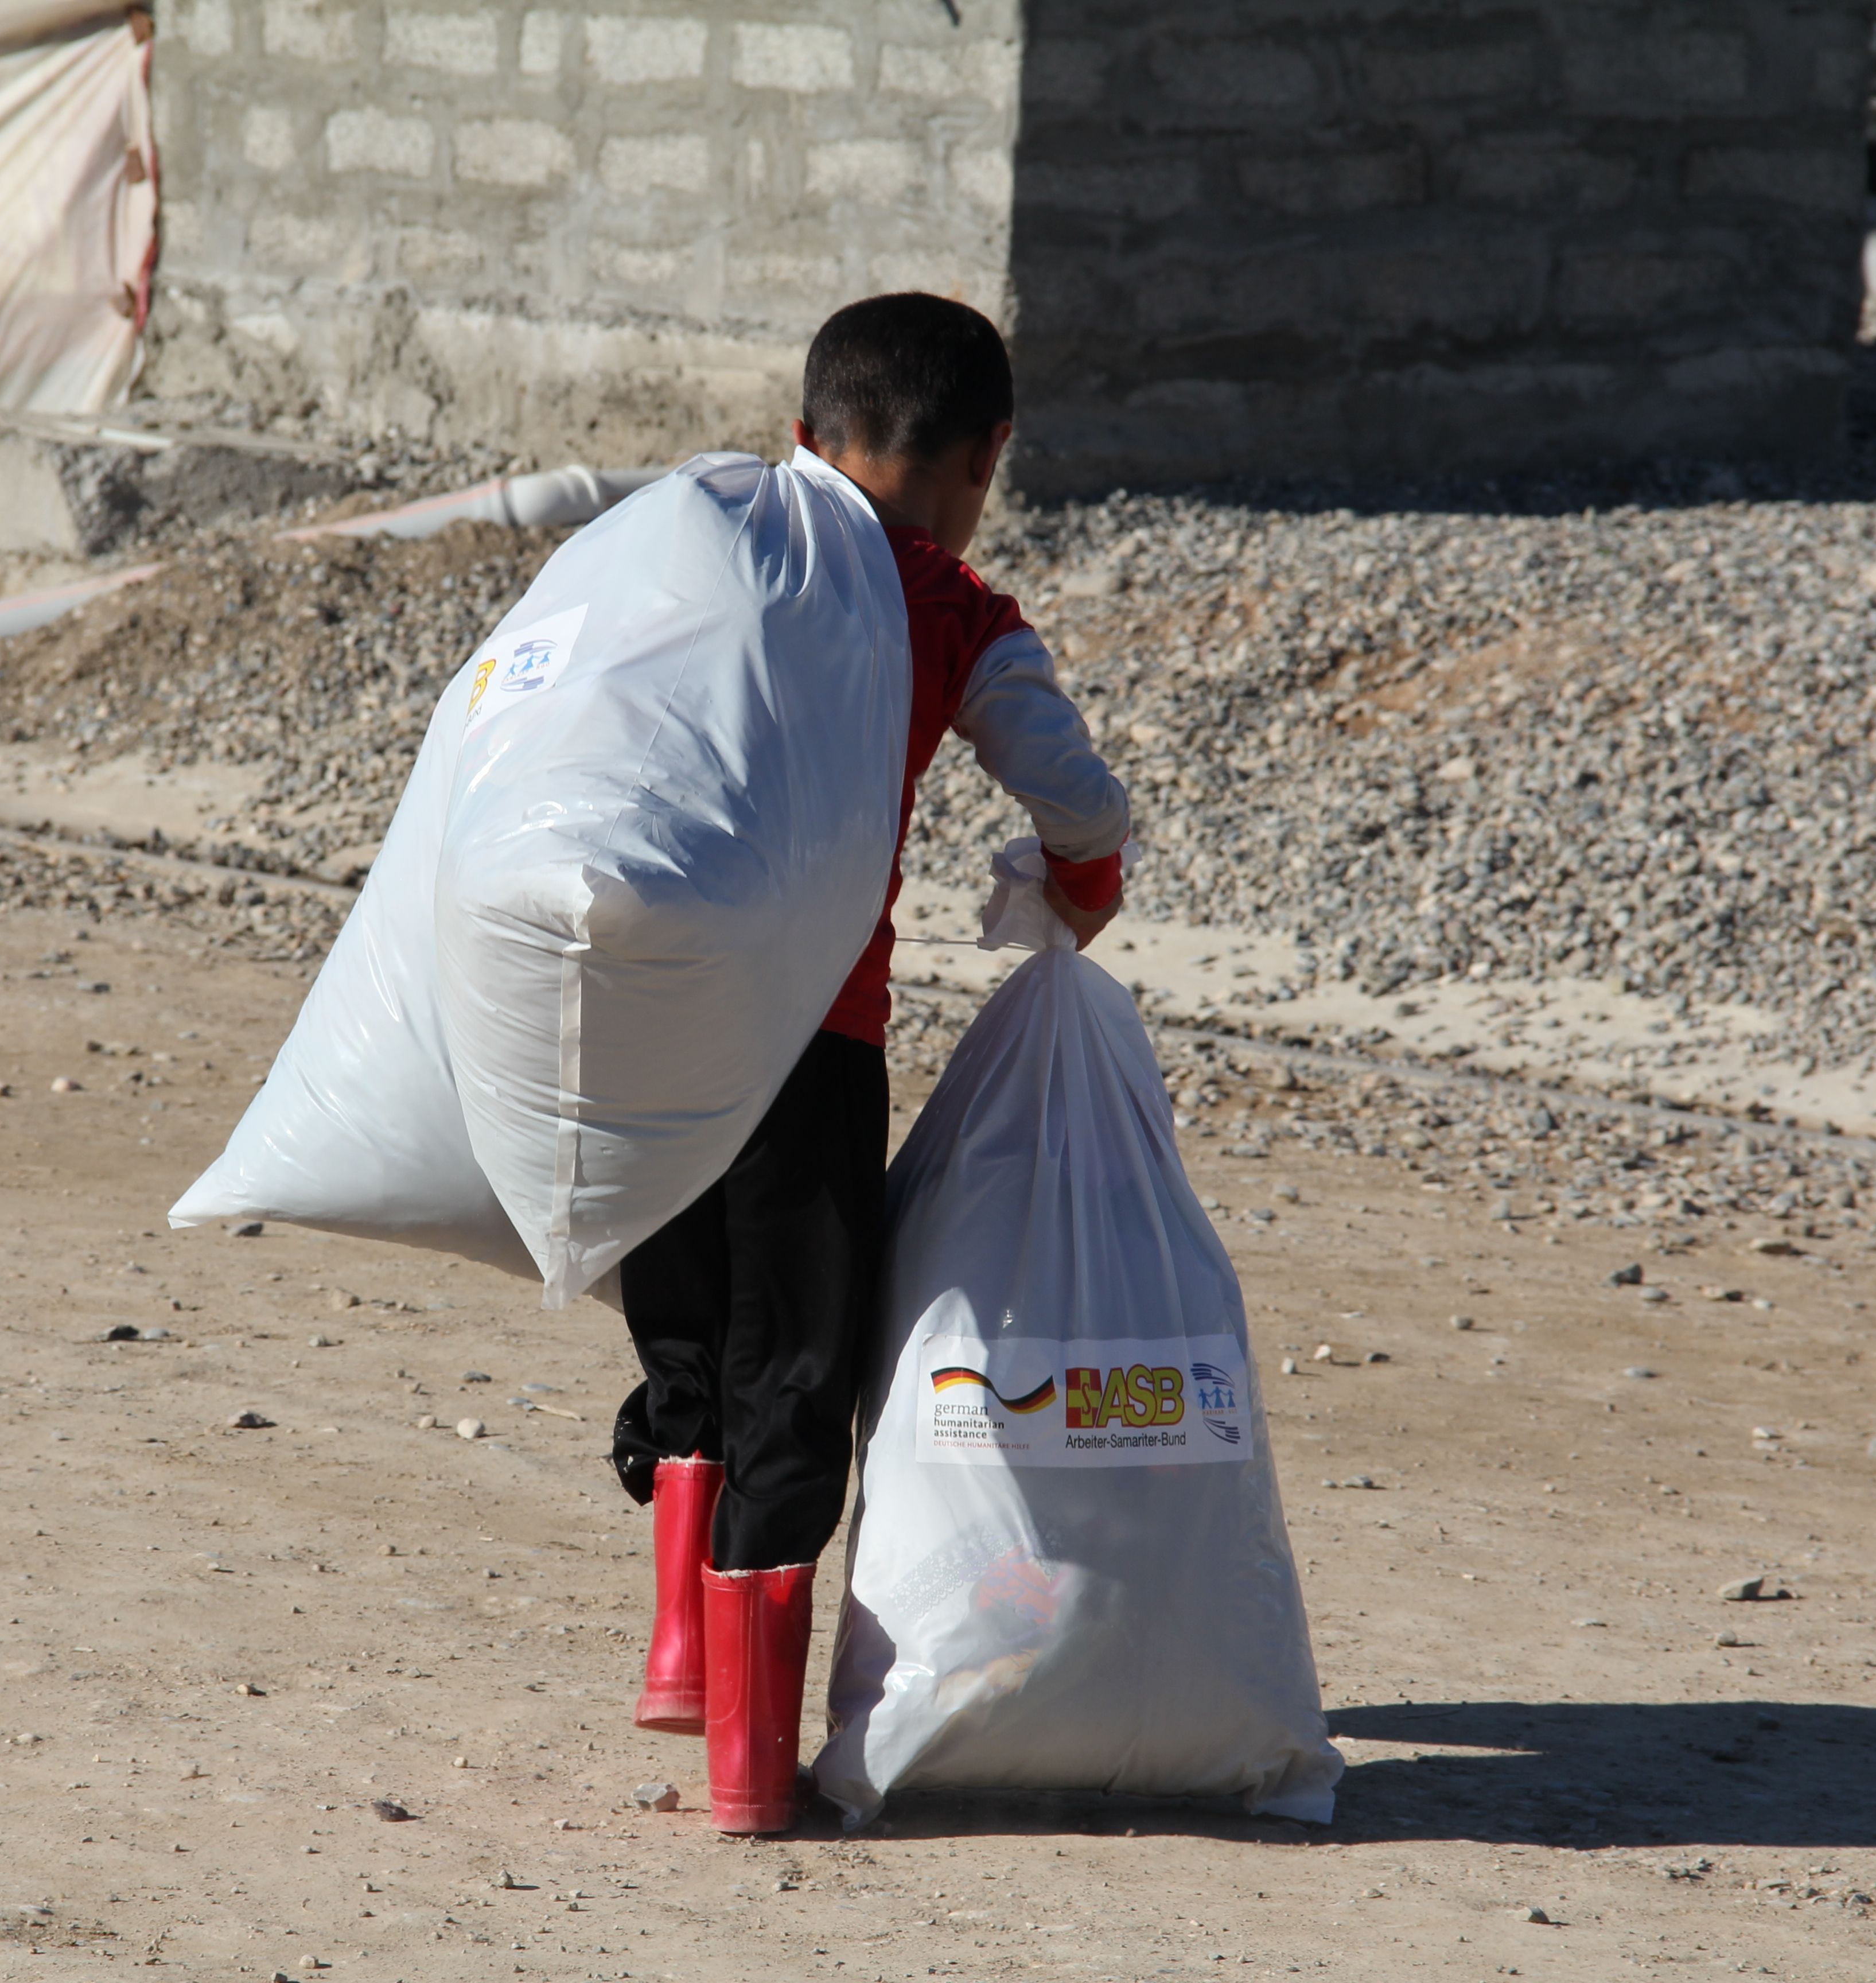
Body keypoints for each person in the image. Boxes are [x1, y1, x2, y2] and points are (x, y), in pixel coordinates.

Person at [608, 293, 1131, 1833]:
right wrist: (1072, 900)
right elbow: (1082, 811)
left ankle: (682, 1659)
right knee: (798, 1369)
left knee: (689, 1337)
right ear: (988, 459)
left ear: (804, 438)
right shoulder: (951, 608)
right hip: (808, 1042)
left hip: (643, 1027)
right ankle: (754, 1773)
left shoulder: (706, 540)